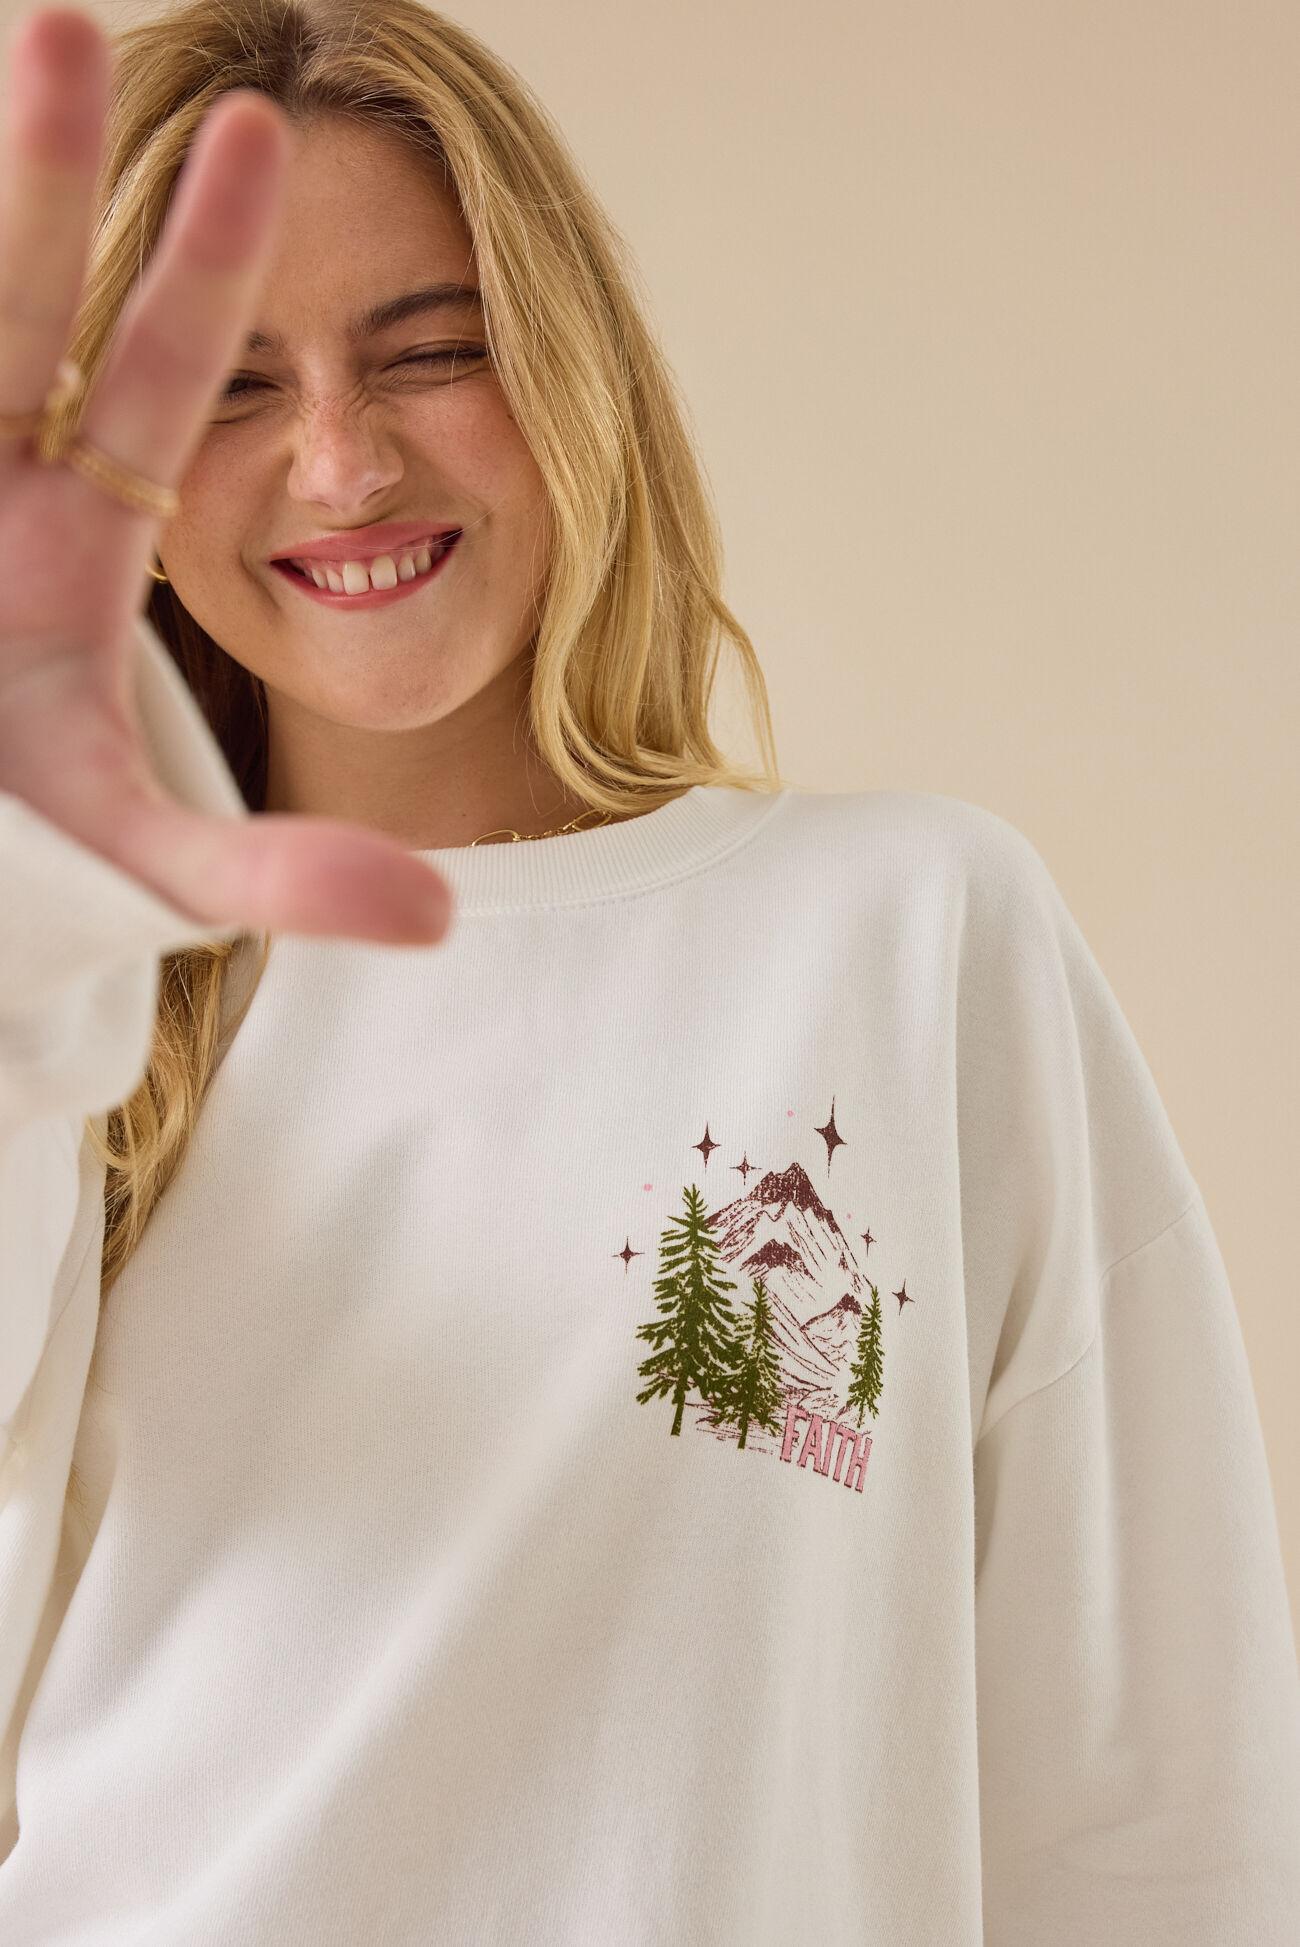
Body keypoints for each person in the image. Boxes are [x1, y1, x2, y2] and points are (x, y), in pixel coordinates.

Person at [1, 3, 1297, 1942]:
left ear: (572, 362)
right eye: (232, 389)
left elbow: (1150, 1801)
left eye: (431, 349)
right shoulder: (70, 995)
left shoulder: (911, 933)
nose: (342, 463)